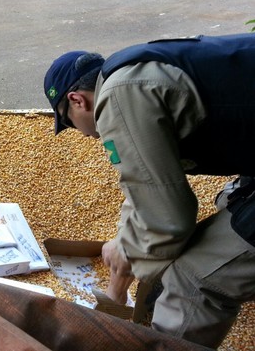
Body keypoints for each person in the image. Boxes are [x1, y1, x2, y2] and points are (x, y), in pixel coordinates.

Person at [43, 33, 255, 349]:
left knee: (193, 277)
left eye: (69, 123)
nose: (83, 134)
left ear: (77, 100)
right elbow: (144, 188)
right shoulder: (133, 71)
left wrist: (129, 254)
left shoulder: (118, 100)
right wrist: (125, 246)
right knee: (228, 200)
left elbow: (169, 218)